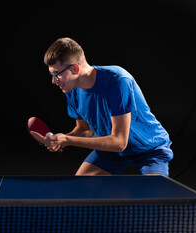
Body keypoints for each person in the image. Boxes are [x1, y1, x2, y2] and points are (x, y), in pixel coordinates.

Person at [31, 37, 173, 176]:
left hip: (150, 148)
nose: (53, 81)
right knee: (79, 189)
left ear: (74, 68)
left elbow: (119, 142)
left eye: (57, 74)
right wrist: (59, 140)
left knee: (152, 197)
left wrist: (67, 140)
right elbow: (84, 130)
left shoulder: (118, 81)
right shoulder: (71, 89)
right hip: (112, 151)